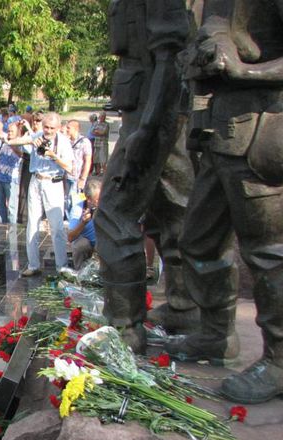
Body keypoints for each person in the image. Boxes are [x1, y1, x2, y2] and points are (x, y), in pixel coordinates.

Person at [165, 0, 283, 405]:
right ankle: (217, 336)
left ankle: (280, 360)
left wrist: (244, 71)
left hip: (261, 132)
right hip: (219, 132)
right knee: (198, 240)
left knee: (268, 254)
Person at [93, 0, 198, 352]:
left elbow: (170, 59)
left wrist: (149, 128)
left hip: (151, 111)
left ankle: (125, 328)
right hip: (147, 109)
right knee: (172, 209)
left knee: (113, 214)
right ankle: (187, 306)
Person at [21, 112, 74, 276]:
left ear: (58, 128)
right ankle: (33, 264)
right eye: (45, 127)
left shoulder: (63, 142)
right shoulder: (37, 135)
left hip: (53, 182)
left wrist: (53, 155)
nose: (48, 130)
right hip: (36, 181)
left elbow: (69, 167)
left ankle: (61, 266)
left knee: (57, 227)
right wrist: (26, 137)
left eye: (51, 128)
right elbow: (15, 142)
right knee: (32, 224)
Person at [68, 178, 101, 269]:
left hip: (101, 242)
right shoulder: (77, 209)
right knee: (80, 245)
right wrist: (83, 223)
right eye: (97, 199)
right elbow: (70, 237)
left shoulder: (105, 206)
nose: (100, 201)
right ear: (88, 199)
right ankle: (80, 274)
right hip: (87, 243)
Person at [65, 120, 93, 217]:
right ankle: (67, 220)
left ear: (75, 129)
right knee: (66, 200)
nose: (66, 129)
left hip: (77, 177)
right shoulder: (66, 141)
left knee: (77, 200)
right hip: (66, 176)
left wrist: (83, 178)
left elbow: (87, 161)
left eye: (68, 127)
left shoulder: (85, 142)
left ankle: (75, 221)